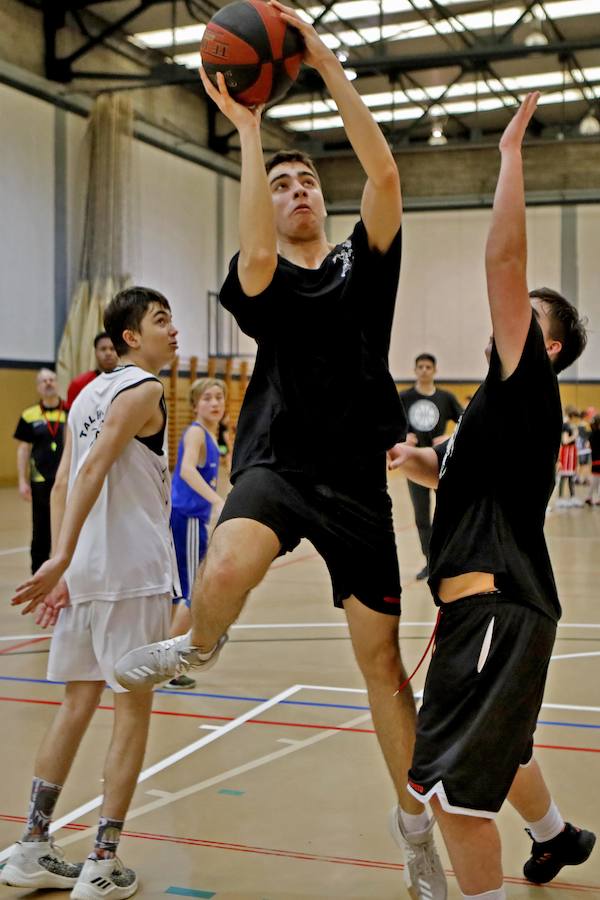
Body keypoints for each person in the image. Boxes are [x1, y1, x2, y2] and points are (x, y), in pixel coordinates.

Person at [115, 7, 447, 898]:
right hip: (277, 466)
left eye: (306, 182)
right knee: (226, 564)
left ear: (323, 202)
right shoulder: (259, 274)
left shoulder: (362, 264)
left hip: (357, 485)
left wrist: (327, 64)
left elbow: (383, 173)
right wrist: (250, 129)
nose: (297, 190)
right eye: (282, 183)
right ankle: (197, 645)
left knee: (382, 666)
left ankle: (415, 831)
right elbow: (256, 250)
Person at [388, 93, 594, 899]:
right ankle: (556, 836)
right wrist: (408, 460)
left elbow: (504, 264)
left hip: (495, 611)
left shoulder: (528, 383)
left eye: (526, 317)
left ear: (548, 346)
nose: (508, 314)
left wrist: (510, 156)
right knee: (497, 749)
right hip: (489, 613)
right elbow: (447, 473)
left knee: (452, 796)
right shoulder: (490, 413)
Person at [3, 287, 179, 900]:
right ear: (131, 336)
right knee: (132, 712)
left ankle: (32, 844)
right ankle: (103, 861)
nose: (173, 331)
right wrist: (57, 560)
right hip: (132, 575)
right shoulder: (145, 389)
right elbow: (98, 464)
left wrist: (65, 564)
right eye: (161, 320)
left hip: (89, 575)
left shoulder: (84, 397)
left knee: (76, 702)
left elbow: (63, 484)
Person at [168, 377, 226, 688]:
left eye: (219, 397)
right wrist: (216, 500)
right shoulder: (196, 433)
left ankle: (165, 655)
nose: (214, 403)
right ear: (194, 404)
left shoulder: (213, 436)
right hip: (187, 518)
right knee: (192, 594)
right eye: (207, 398)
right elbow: (187, 469)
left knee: (183, 592)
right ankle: (170, 666)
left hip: (191, 519)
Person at [400, 355, 462, 579]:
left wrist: (448, 436)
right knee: (421, 517)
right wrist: (402, 437)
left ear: (435, 370)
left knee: (446, 515)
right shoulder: (404, 398)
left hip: (441, 464)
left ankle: (448, 560)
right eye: (421, 366)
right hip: (415, 464)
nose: (424, 370)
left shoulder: (445, 397)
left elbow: (465, 422)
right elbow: (389, 424)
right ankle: (430, 561)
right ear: (415, 370)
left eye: (428, 367)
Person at [13, 368, 67, 572]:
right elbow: (23, 449)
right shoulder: (29, 415)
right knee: (41, 530)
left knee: (67, 526)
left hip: (66, 480)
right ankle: (38, 573)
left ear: (57, 383)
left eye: (52, 379)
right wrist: (22, 480)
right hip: (40, 482)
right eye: (44, 381)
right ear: (38, 387)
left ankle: (67, 574)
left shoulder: (70, 411)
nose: (48, 383)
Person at [66, 331, 118, 409]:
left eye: (112, 349)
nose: (108, 353)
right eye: (103, 349)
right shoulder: (79, 384)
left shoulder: (127, 381)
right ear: (95, 352)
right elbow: (71, 414)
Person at [586, 413, 600, 506]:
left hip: (594, 459)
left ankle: (590, 497)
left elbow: (588, 446)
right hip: (598, 459)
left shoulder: (591, 434)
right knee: (596, 480)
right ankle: (590, 497)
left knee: (596, 479)